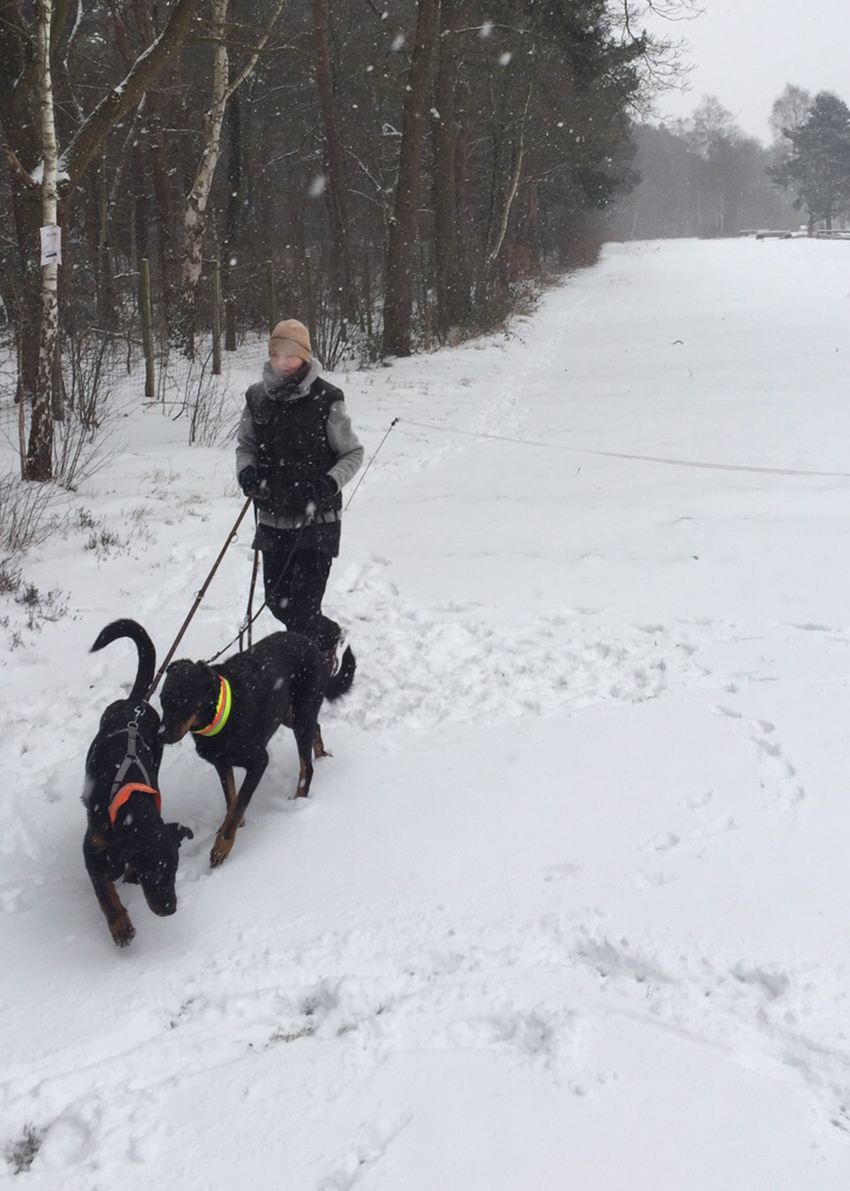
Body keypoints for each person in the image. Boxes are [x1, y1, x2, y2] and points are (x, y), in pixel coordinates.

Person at [235, 318, 363, 672]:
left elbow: (352, 454)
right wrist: (246, 472)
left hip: (316, 520)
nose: (282, 362)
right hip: (273, 517)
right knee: (278, 603)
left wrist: (328, 483)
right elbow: (245, 445)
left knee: (303, 607)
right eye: (276, 354)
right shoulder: (257, 398)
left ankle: (312, 668)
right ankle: (327, 636)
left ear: (304, 358)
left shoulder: (327, 399)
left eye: (289, 355)